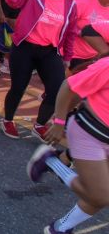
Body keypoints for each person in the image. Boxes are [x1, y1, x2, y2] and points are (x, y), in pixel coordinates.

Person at [26, 54, 109, 234]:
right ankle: (51, 161)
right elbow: (68, 86)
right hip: (88, 133)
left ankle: (60, 228)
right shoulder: (107, 66)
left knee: (100, 192)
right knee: (101, 195)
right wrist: (59, 122)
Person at [0, 0, 78, 140]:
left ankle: (40, 124)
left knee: (56, 90)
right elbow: (12, 0)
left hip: (49, 51)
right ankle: (7, 120)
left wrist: (67, 57)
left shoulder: (70, 5)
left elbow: (71, 33)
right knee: (18, 87)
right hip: (24, 48)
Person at [70, 0, 109, 71]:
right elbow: (64, 24)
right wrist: (81, 32)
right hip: (72, 54)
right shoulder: (82, 2)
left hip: (95, 55)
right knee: (68, 84)